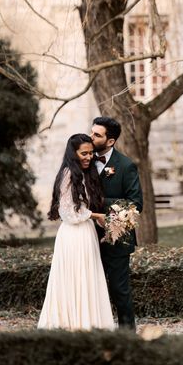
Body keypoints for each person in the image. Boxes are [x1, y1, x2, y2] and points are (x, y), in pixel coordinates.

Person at [37, 134, 115, 330]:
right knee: (73, 279)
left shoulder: (86, 174)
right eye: (84, 153)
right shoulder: (67, 174)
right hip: (73, 234)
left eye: (90, 153)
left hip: (86, 232)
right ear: (73, 154)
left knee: (88, 280)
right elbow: (68, 212)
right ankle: (71, 323)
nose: (89, 157)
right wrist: (97, 216)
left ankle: (89, 322)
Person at [90, 117, 143, 330]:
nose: (91, 137)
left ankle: (127, 334)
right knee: (91, 287)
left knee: (119, 289)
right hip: (88, 236)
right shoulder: (84, 160)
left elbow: (135, 204)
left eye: (97, 135)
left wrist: (100, 203)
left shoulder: (126, 165)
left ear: (110, 141)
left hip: (117, 237)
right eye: (91, 132)